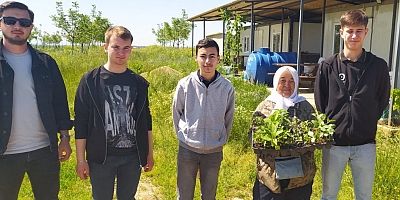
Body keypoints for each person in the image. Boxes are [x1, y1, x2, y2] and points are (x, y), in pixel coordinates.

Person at [314, 9, 390, 200]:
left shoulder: (378, 66)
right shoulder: (328, 66)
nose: (354, 35)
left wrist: (368, 117)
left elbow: (382, 99)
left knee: (364, 196)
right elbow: (320, 101)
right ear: (341, 32)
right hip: (334, 144)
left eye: (359, 30)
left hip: (365, 144)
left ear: (366, 32)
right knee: (329, 194)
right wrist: (333, 124)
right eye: (349, 31)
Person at [0, 1, 73, 199]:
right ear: (1, 23)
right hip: (4, 154)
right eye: (10, 20)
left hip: (44, 151)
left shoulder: (46, 63)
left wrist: (64, 138)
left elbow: (59, 103)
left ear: (31, 27)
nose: (17, 26)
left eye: (24, 22)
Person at [74, 25, 154, 199]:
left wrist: (149, 153)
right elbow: (81, 122)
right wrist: (81, 160)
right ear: (105, 47)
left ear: (131, 49)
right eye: (115, 47)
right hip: (101, 156)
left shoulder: (139, 83)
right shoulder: (90, 81)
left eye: (126, 48)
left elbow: (146, 121)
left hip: (132, 156)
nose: (121, 53)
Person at [172, 38, 235, 199]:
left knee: (209, 195)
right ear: (196, 57)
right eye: (203, 56)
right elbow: (176, 112)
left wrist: (220, 139)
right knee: (184, 195)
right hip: (187, 148)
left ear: (218, 59)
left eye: (212, 56)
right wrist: (184, 136)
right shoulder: (185, 85)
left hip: (214, 151)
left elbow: (229, 117)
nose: (207, 61)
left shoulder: (227, 87)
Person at [251, 66, 316, 200]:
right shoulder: (264, 107)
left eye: (292, 80)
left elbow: (316, 134)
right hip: (270, 175)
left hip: (300, 178)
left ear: (297, 83)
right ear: (276, 82)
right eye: (283, 80)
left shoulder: (305, 107)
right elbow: (252, 137)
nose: (287, 85)